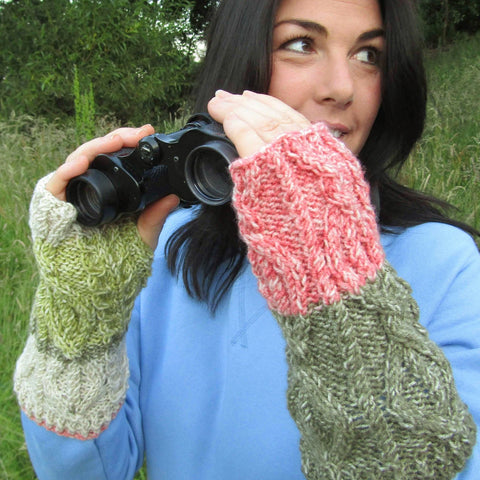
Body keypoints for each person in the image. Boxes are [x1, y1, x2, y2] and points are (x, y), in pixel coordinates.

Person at [13, 0, 480, 478]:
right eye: (301, 45)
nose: (343, 88)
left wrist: (331, 269)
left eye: (369, 55)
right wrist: (80, 312)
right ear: (240, 66)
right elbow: (86, 471)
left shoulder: (446, 263)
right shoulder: (161, 246)